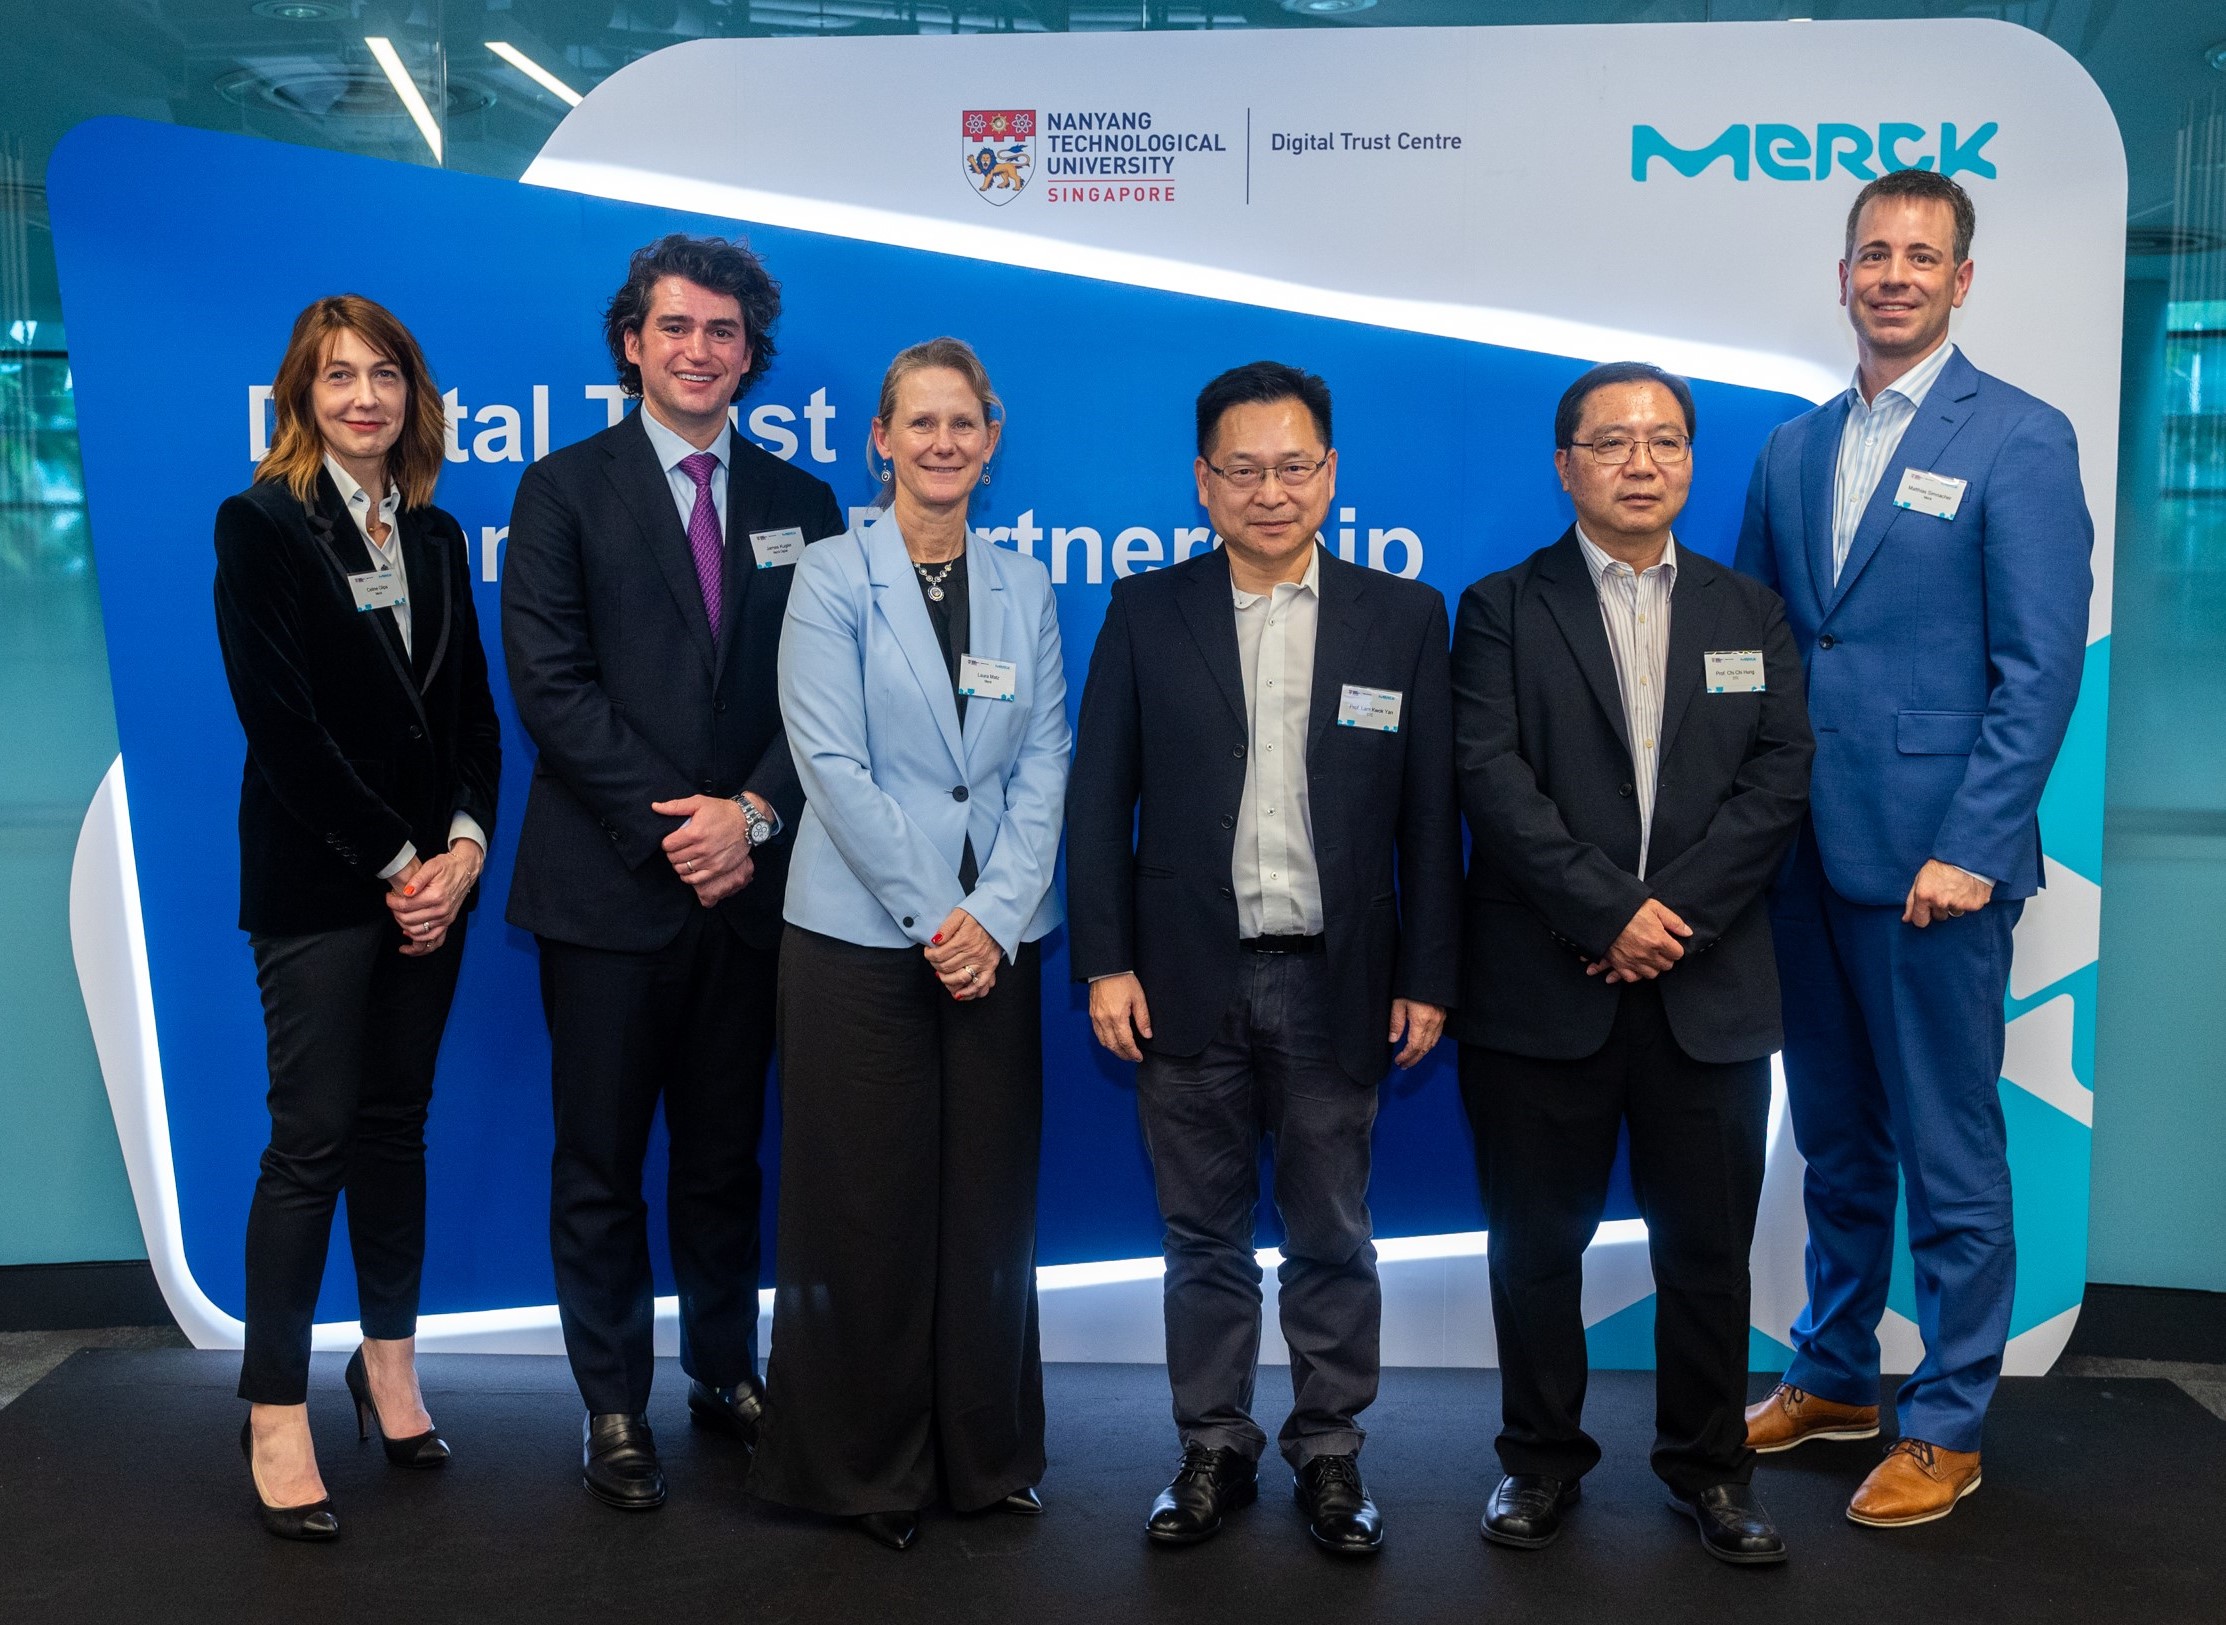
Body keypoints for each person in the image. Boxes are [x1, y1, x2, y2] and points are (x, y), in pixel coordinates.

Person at [1734, 169, 2093, 1526]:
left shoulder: (2019, 439)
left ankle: (1946, 1418)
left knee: (1946, 1147)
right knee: (1832, 1140)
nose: (1891, 273)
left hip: (1938, 870)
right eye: (1870, 253)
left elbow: (2037, 669)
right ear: (1841, 277)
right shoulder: (1788, 449)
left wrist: (1973, 841)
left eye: (1919, 255)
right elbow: (1760, 654)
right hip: (1800, 863)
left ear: (1959, 281)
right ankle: (1832, 1371)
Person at [1067, 361, 1461, 1558]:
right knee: (1203, 1235)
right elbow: (1098, 804)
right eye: (1243, 470)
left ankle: (1331, 1453)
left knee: (1334, 1229)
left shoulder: (1404, 616)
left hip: (1339, 978)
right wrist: (1105, 962)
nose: (1271, 491)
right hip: (1185, 975)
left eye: (1295, 467)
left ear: (1331, 473)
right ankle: (1213, 1444)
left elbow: (1430, 819)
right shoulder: (1148, 609)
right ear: (1203, 482)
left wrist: (1428, 972)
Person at [501, 234, 844, 1511]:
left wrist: (748, 813)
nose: (699, 351)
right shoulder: (561, 489)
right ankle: (611, 1404)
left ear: (751, 355)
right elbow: (549, 685)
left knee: (720, 1160)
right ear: (632, 342)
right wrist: (677, 827)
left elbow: (825, 700)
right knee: (598, 1163)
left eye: (723, 332)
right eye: (675, 328)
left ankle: (722, 1370)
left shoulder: (802, 506)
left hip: (752, 894)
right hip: (606, 895)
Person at [1452, 362, 1813, 1566]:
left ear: (1692, 463)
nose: (1641, 461)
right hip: (1542, 987)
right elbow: (1491, 778)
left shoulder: (1750, 614)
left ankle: (1713, 1469)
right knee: (1536, 1250)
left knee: (1705, 1254)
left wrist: (1673, 918)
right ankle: (1540, 1463)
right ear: (1567, 464)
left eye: (1665, 440)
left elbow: (1778, 781)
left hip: (1706, 992)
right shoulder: (1501, 607)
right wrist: (1608, 912)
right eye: (1612, 441)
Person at [748, 339, 1069, 1553]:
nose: (943, 443)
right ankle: (866, 1468)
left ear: (991, 442)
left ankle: (986, 1457)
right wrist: (941, 915)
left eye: (964, 423)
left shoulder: (1026, 586)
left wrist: (992, 919)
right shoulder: (832, 574)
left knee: (987, 1210)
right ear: (878, 439)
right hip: (861, 937)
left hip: (996, 938)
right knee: (865, 1210)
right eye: (918, 423)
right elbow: (829, 763)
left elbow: (1046, 764)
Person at [213, 294, 501, 1541]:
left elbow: (475, 719)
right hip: (324, 889)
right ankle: (273, 1404)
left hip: (434, 891)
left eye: (384, 376)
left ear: (413, 396)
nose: (364, 398)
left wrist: (466, 848)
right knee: (311, 1140)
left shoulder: (433, 536)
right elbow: (282, 729)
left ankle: (387, 1365)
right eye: (338, 379)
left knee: (397, 1130)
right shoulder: (263, 525)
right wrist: (398, 861)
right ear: (302, 397)